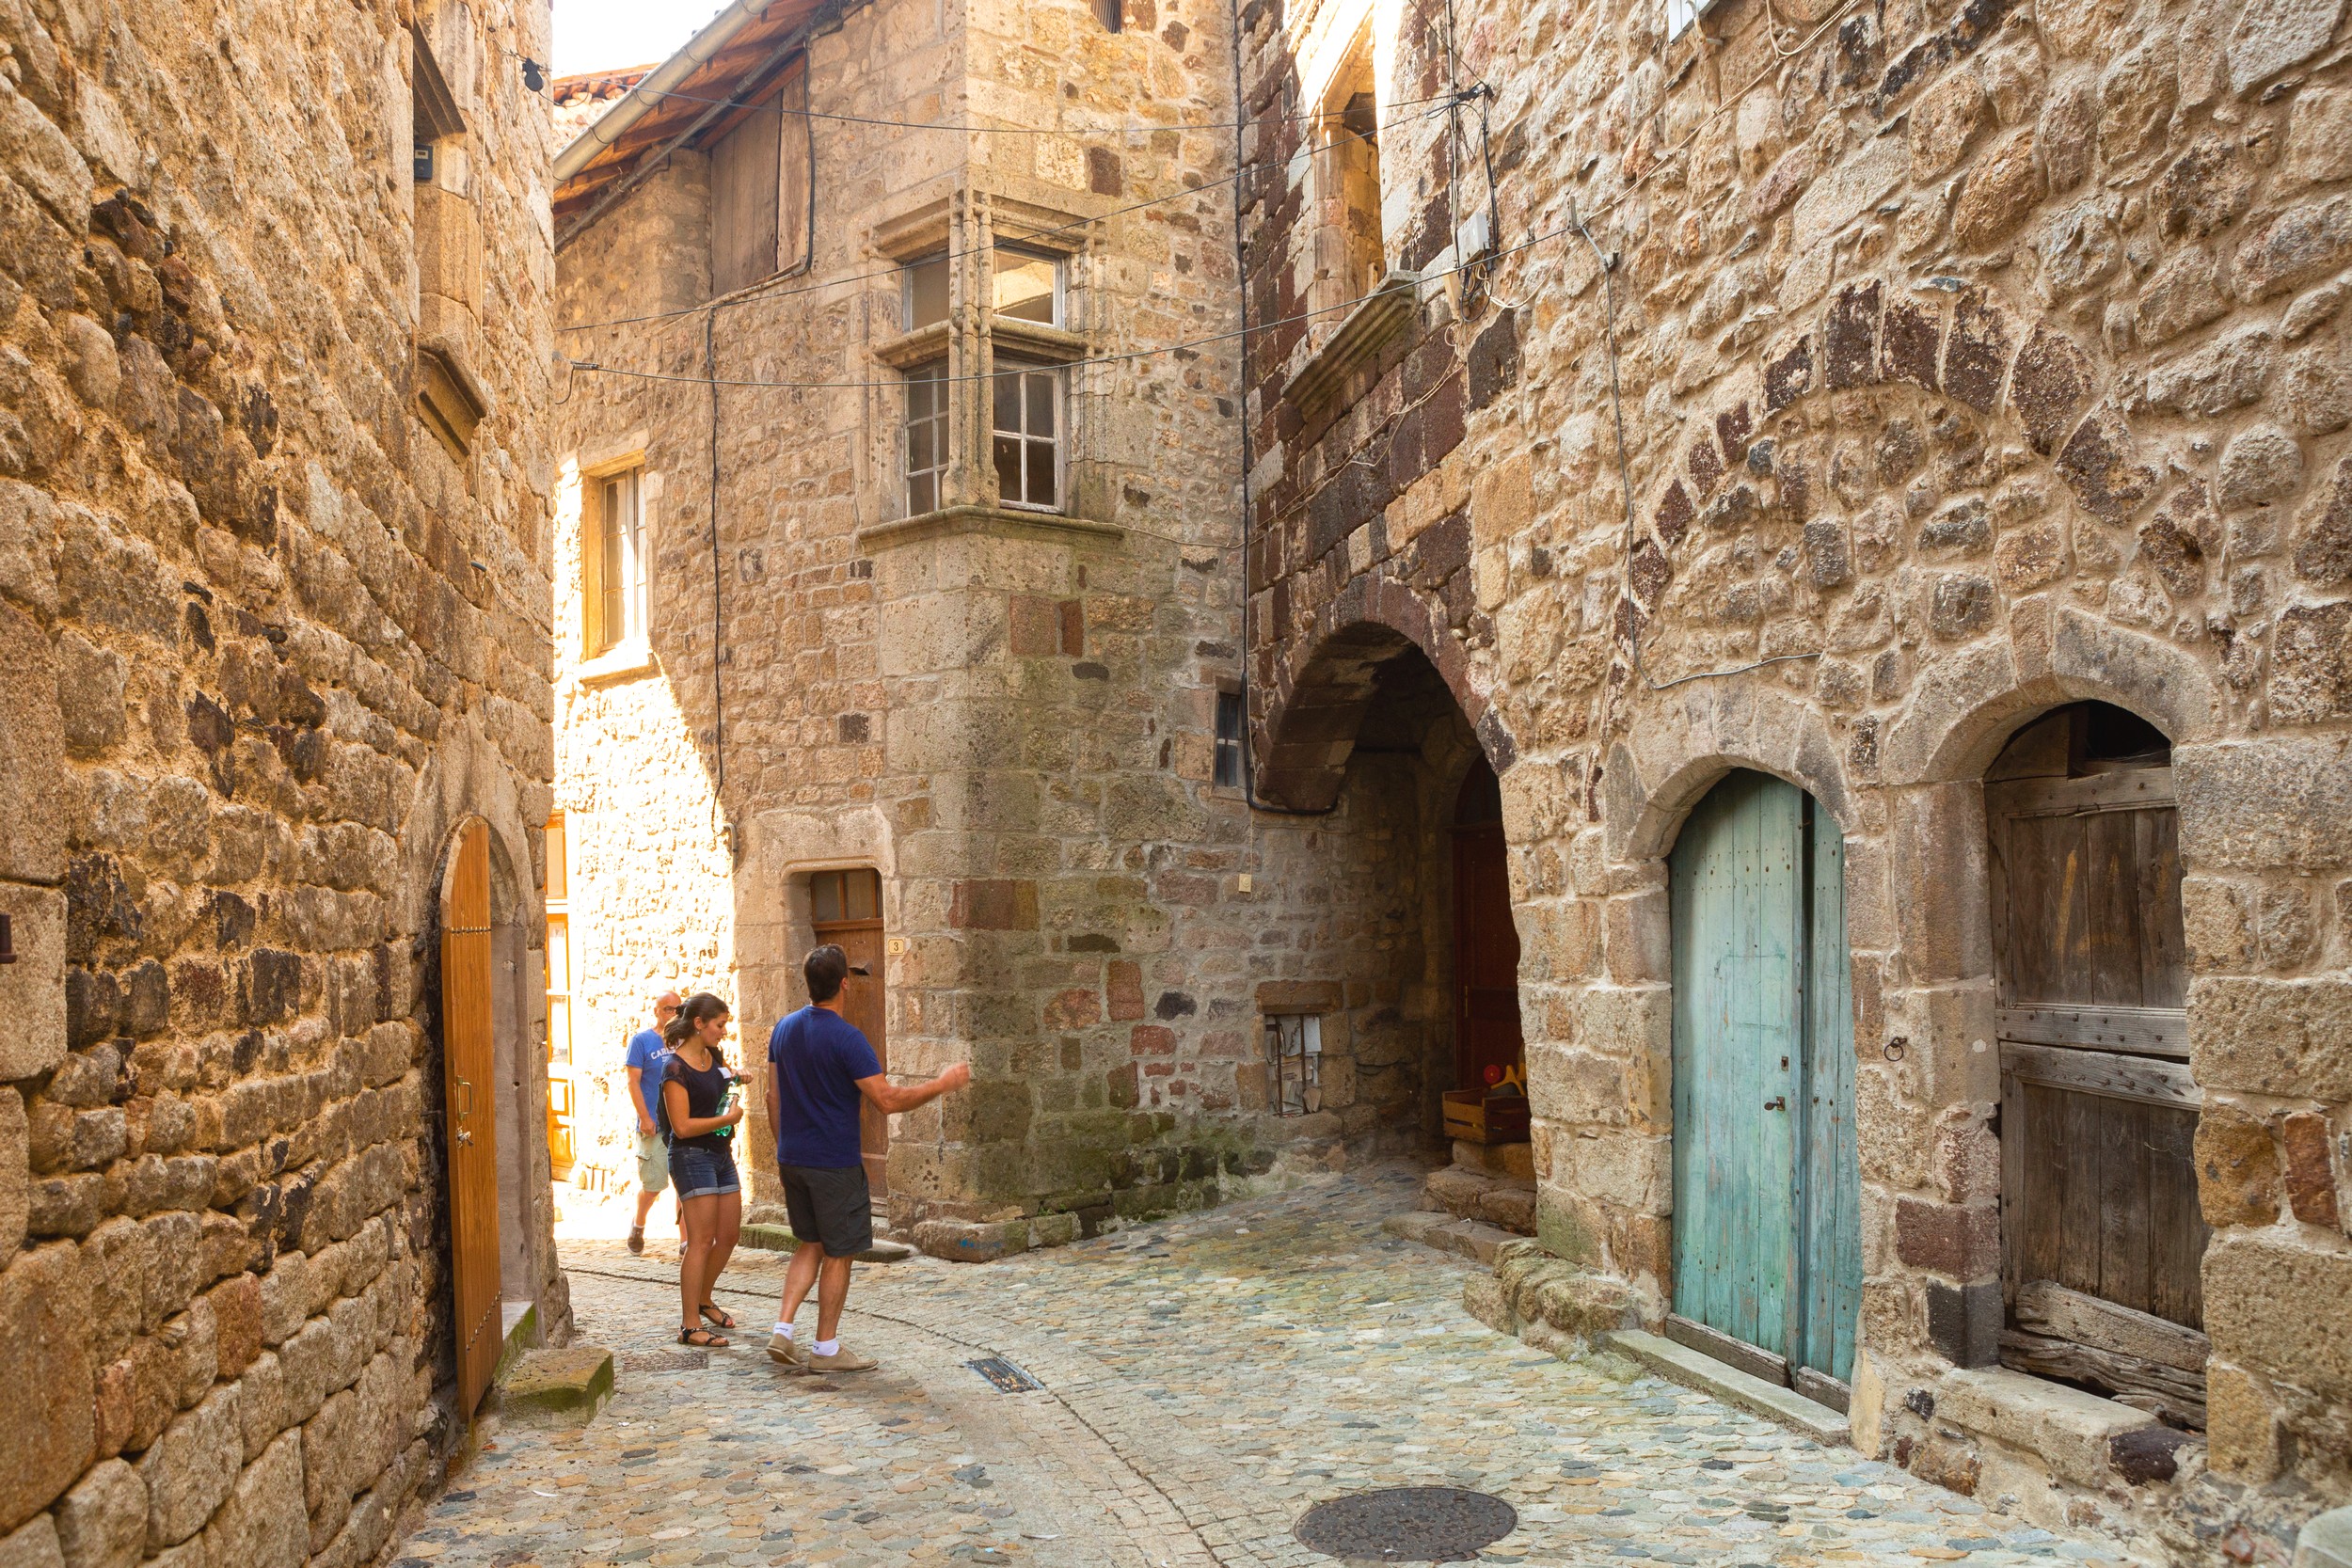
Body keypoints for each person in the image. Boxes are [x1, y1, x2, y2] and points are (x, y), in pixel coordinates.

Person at [766, 943, 969, 1373]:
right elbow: (888, 1101)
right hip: (834, 1164)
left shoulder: (782, 1029)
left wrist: (785, 1146)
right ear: (844, 984)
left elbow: (772, 1095)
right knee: (839, 1253)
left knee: (810, 1244)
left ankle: (782, 1332)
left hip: (793, 1158)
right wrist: (942, 1084)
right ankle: (826, 1349)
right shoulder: (847, 1038)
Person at [660, 991, 746, 1347]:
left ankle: (704, 1298)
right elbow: (681, 1126)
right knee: (700, 1241)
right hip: (690, 1156)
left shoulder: (715, 1056)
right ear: (699, 1024)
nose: (724, 1031)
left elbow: (723, 1090)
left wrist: (737, 1083)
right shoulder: (673, 1069)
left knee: (728, 1236)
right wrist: (725, 1119)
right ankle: (689, 1324)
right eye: (720, 1025)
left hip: (720, 1154)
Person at [625, 990, 682, 1255]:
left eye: (678, 1009)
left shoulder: (683, 1041)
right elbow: (633, 1082)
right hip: (654, 1125)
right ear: (657, 1011)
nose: (673, 1014)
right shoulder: (642, 1041)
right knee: (654, 1186)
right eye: (668, 1009)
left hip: (680, 1123)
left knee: (685, 1185)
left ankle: (685, 1241)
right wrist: (645, 1117)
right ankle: (638, 1223)